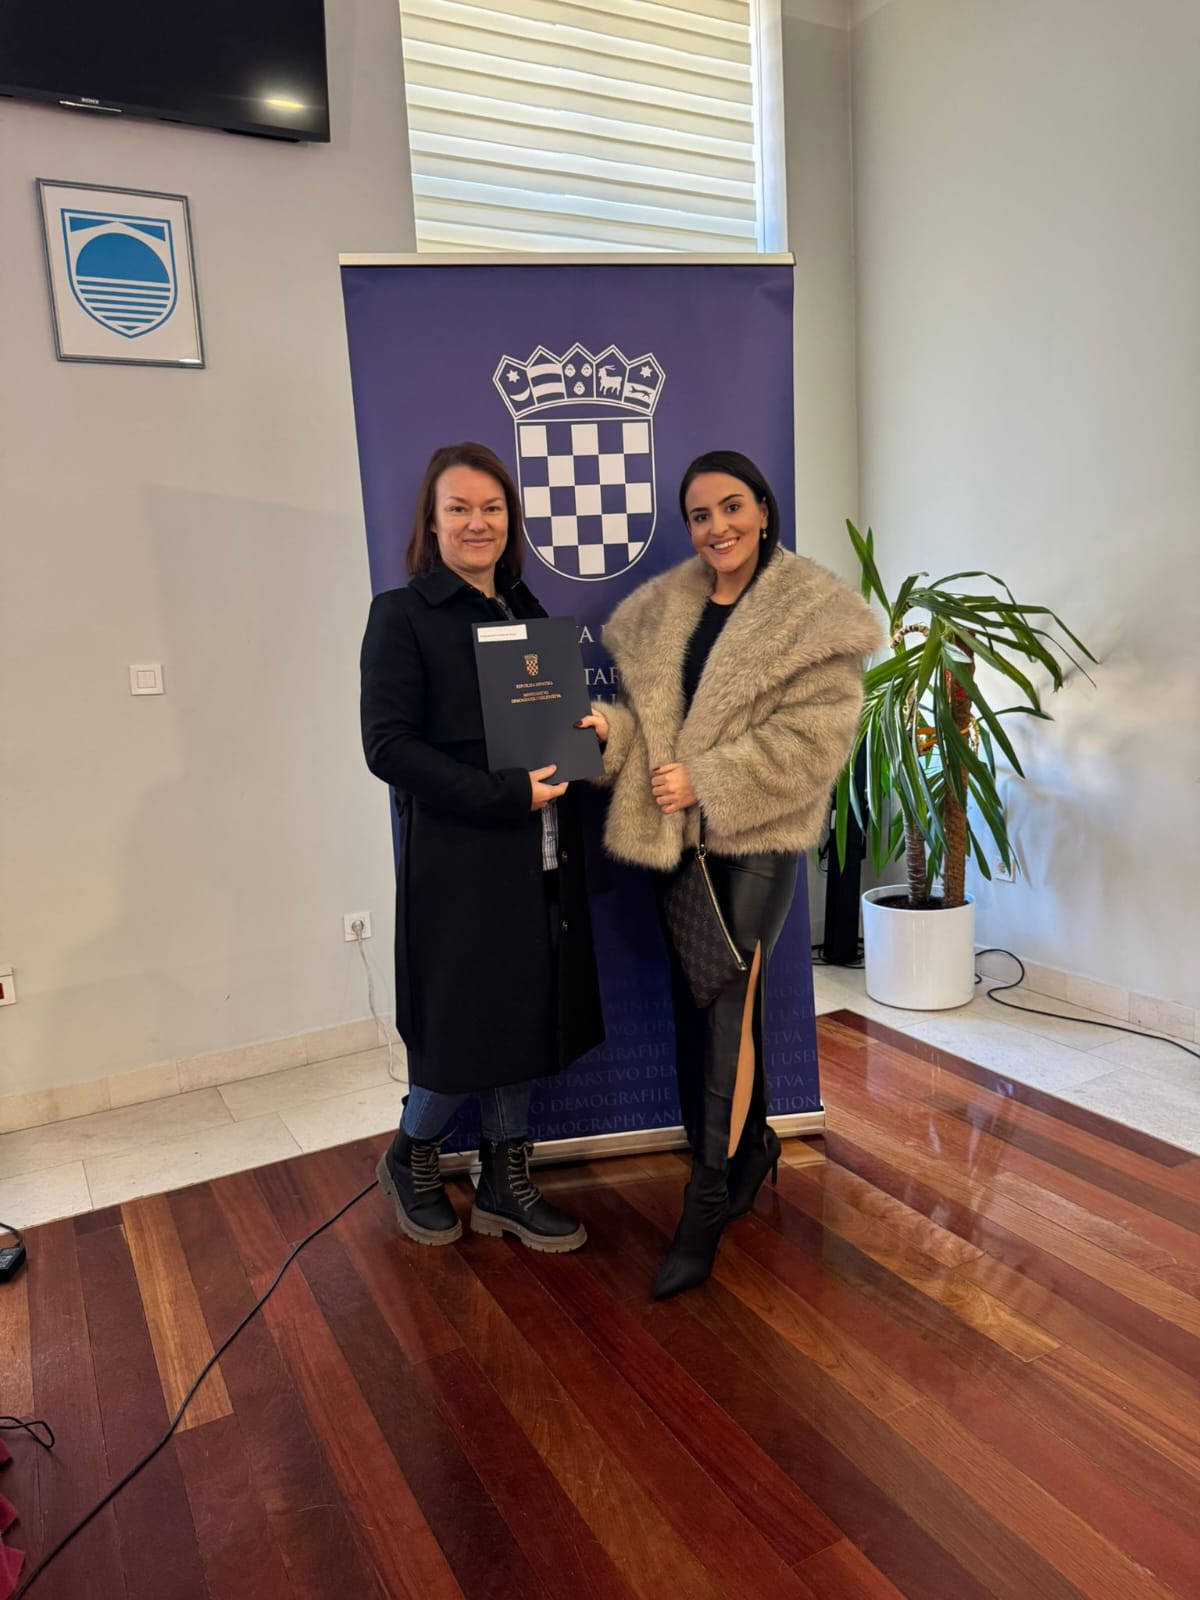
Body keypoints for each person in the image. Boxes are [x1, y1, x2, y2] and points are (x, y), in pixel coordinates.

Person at [579, 451, 881, 1298]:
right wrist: (609, 735)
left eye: (732, 506)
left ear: (763, 508)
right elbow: (655, 737)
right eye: (701, 515)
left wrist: (707, 779)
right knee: (702, 1008)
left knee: (723, 1010)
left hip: (755, 840)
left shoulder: (811, 611)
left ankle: (706, 1198)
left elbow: (816, 739)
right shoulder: (667, 611)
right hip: (677, 844)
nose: (718, 527)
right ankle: (752, 1151)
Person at [361, 441, 604, 1253]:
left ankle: (504, 1181)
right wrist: (503, 795)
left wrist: (587, 737)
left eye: (492, 508)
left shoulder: (529, 613)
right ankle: (411, 1156)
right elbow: (388, 747)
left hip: (543, 855)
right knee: (461, 1027)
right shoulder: (401, 616)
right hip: (461, 863)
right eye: (459, 508)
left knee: (524, 1018)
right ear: (431, 523)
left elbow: (545, 733)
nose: (478, 522)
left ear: (511, 519)